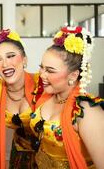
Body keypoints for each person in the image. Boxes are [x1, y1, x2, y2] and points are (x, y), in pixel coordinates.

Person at [30, 26, 104, 168]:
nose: (42, 75)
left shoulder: (86, 111)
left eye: (50, 71)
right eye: (42, 67)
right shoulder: (46, 97)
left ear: (73, 75)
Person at [0, 29, 38, 169]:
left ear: (24, 60)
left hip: (47, 158)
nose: (4, 64)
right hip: (18, 158)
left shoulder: (43, 84)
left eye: (10, 56)